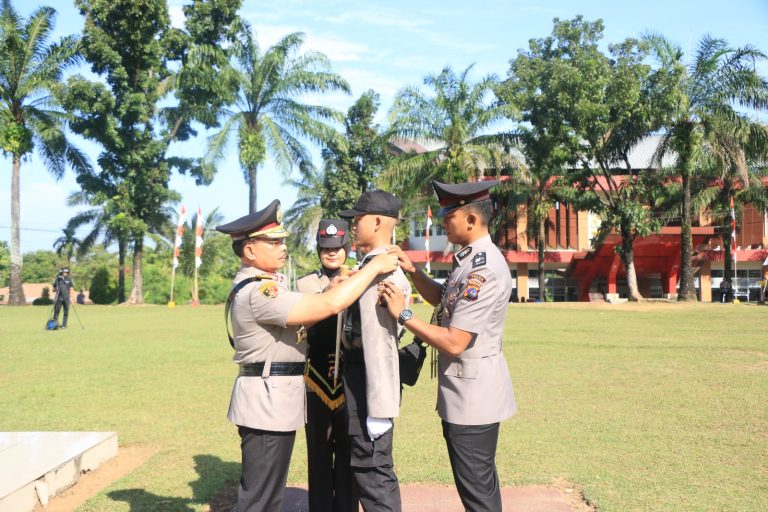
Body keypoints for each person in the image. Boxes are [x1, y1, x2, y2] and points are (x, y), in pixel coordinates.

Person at [215, 200, 399, 512]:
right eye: (273, 242)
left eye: (282, 241)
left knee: (269, 497)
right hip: (266, 404)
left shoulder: (265, 286)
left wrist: (335, 287)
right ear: (249, 250)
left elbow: (306, 318)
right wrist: (371, 269)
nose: (282, 247)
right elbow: (327, 308)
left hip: (274, 402)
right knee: (259, 499)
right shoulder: (261, 291)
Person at [379, 180, 517, 512]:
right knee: (478, 485)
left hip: (473, 398)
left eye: (448, 214)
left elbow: (455, 342)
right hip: (466, 392)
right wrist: (413, 273)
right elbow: (444, 299)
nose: (443, 220)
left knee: (477, 494)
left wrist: (404, 314)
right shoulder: (469, 260)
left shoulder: (482, 271)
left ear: (471, 219)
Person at [338, 190, 411, 512]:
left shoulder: (385, 270)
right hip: (358, 375)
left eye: (358, 219)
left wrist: (380, 403)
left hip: (371, 378)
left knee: (372, 466)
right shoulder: (369, 266)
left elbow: (385, 338)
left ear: (378, 221)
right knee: (366, 462)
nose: (353, 225)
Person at [296, 219, 358, 512]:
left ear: (347, 247)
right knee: (319, 451)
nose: (331, 254)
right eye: (325, 248)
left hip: (350, 377)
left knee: (348, 450)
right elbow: (301, 324)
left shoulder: (359, 277)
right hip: (316, 377)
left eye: (337, 248)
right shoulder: (305, 283)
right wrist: (328, 292)